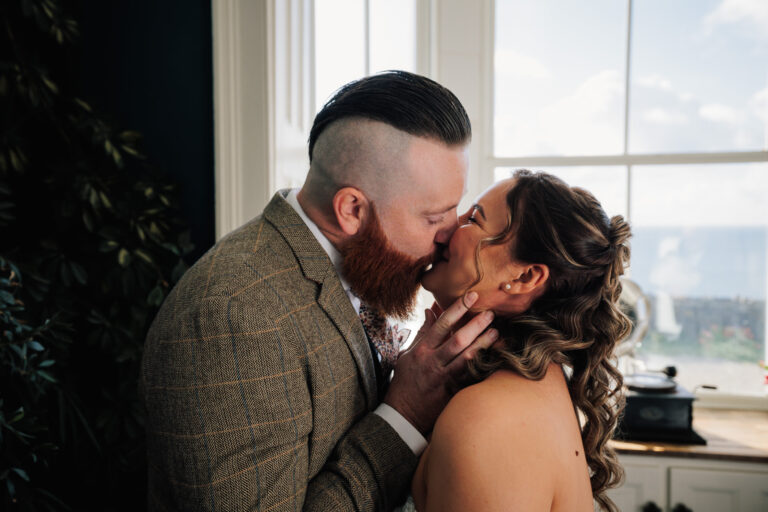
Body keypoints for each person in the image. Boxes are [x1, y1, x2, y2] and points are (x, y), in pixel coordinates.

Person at [140, 71, 499, 512]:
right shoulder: (234, 317)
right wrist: (404, 414)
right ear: (352, 210)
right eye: (433, 217)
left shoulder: (356, 263)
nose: (451, 233)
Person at [400, 170, 631, 512]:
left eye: (473, 219)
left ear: (525, 276)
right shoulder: (534, 383)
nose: (448, 228)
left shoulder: (488, 418)